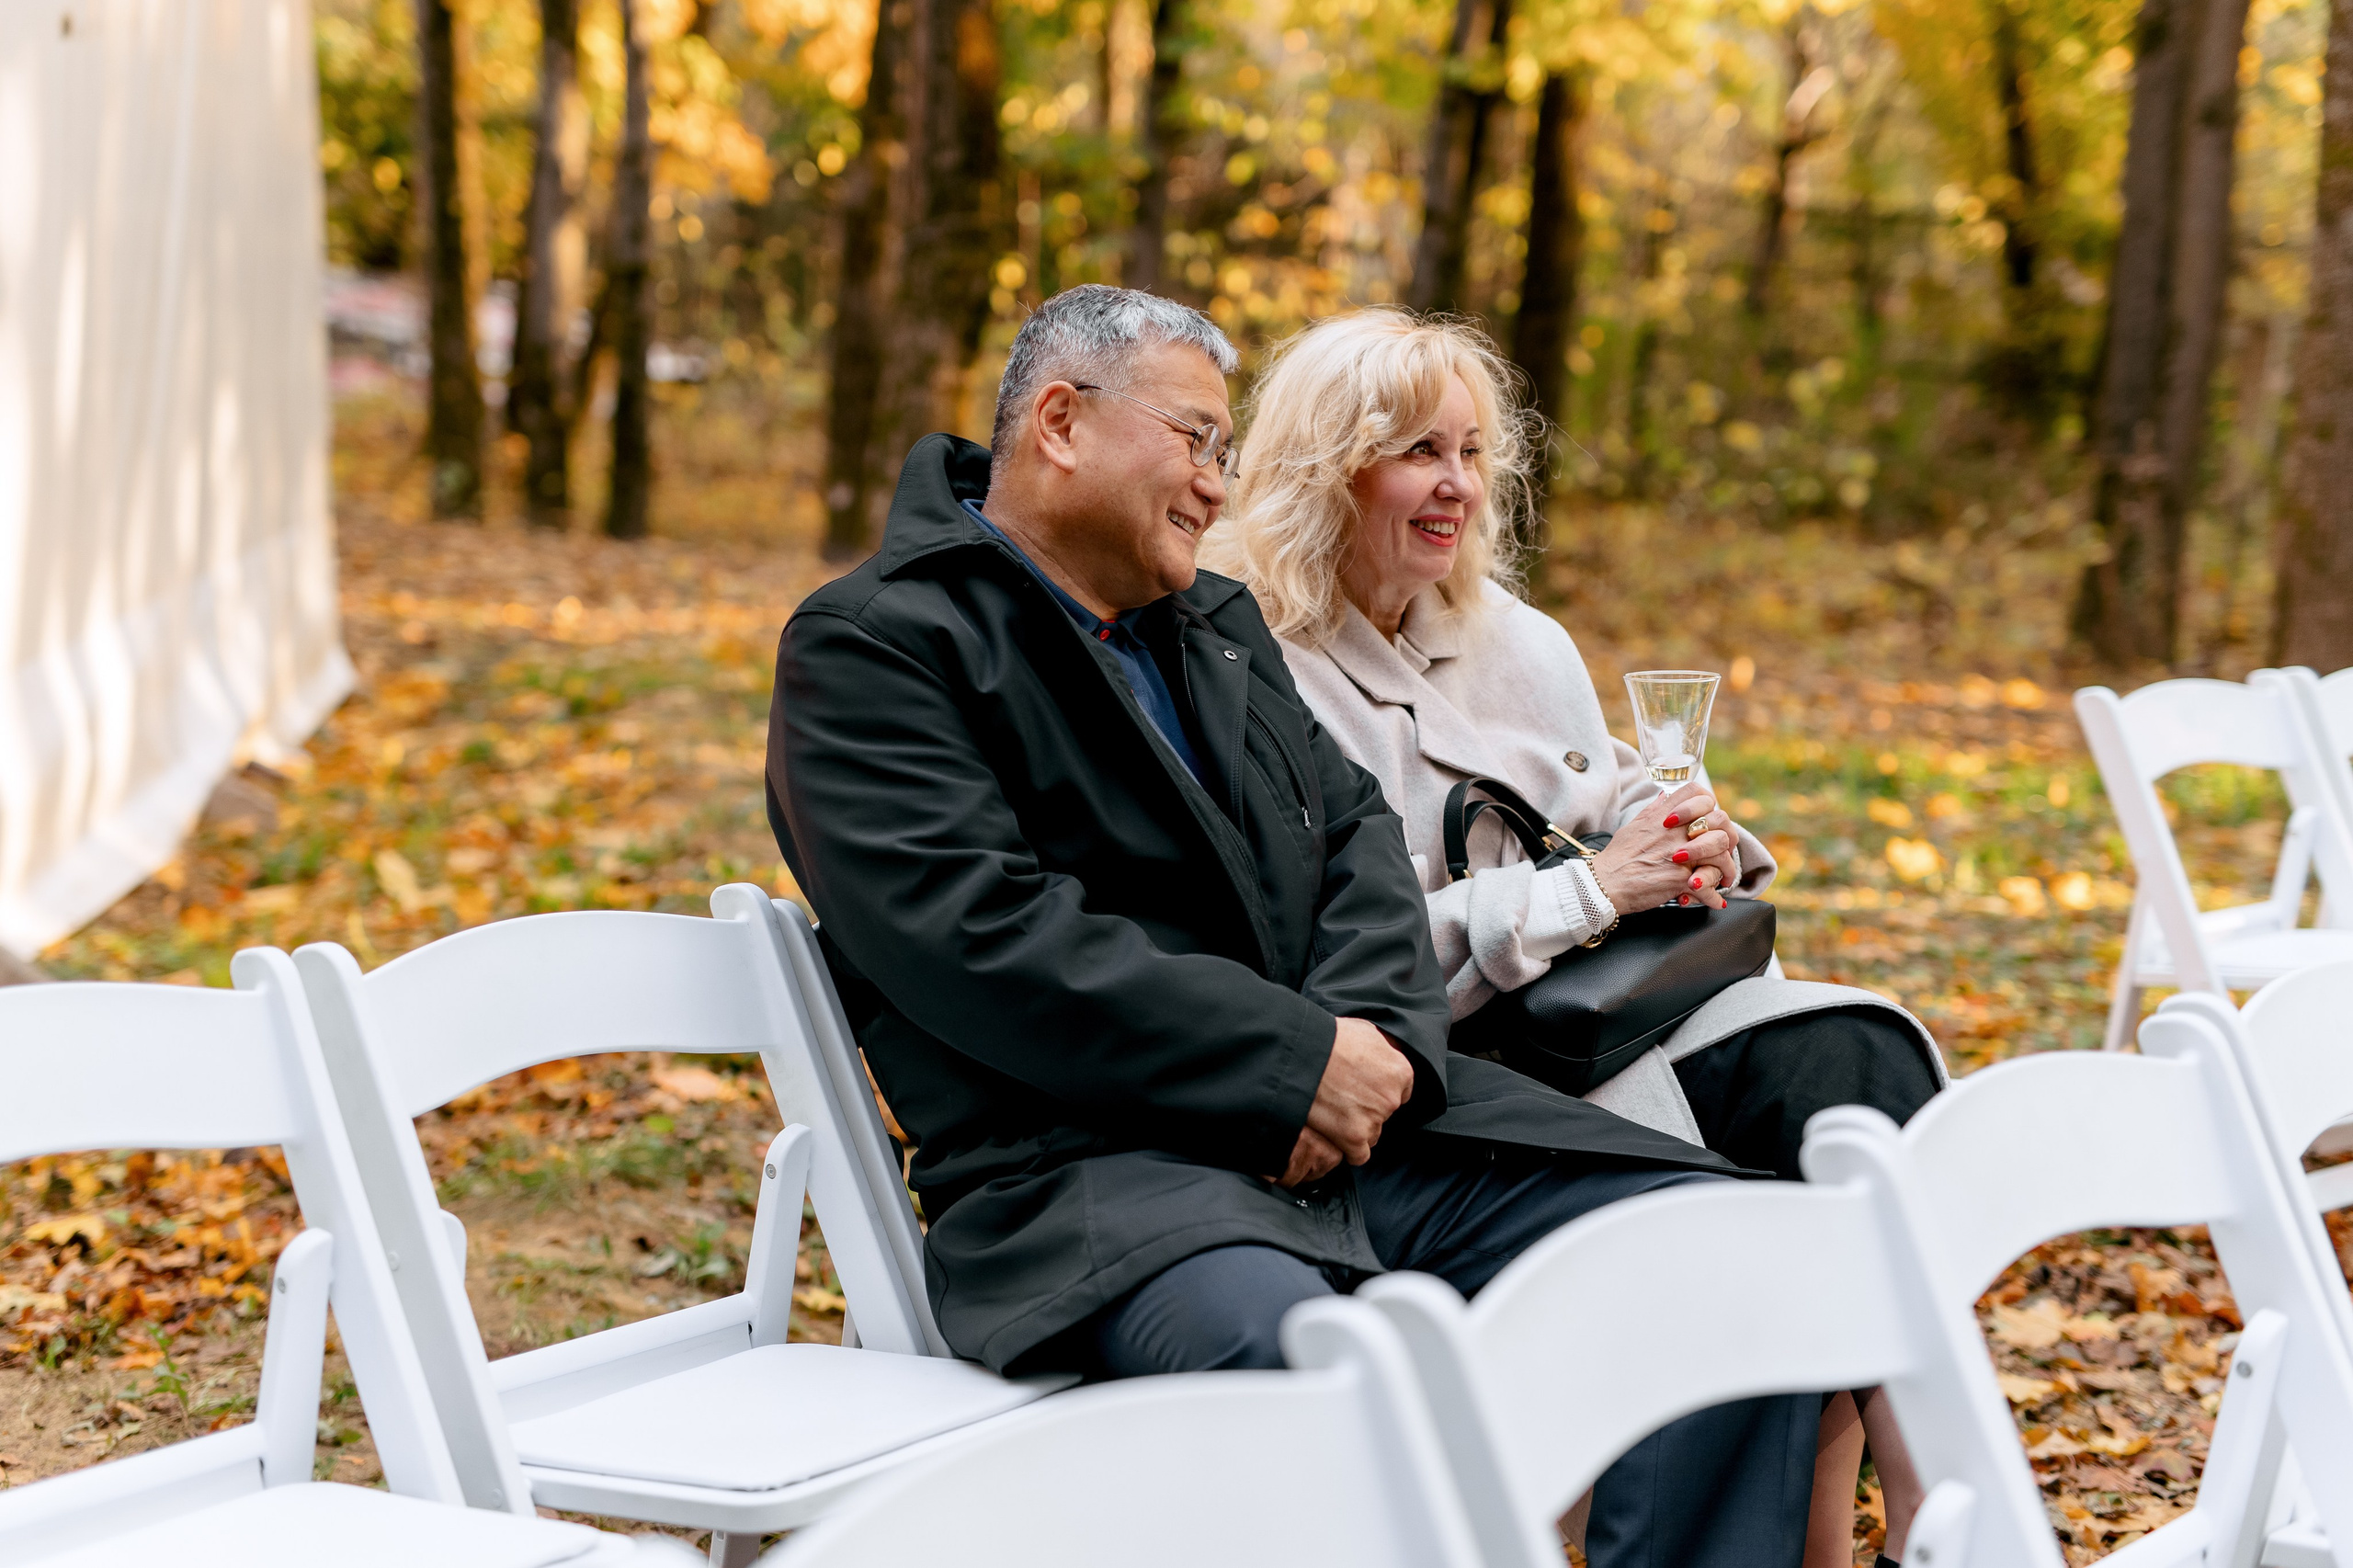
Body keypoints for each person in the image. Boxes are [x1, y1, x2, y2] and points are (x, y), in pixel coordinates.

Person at [768, 285, 1821, 1567]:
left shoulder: (1213, 627)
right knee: (1343, 1394)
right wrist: (1292, 1068)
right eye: (1199, 441)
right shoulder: (881, 645)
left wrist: (1367, 1052)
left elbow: (1358, 848)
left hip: (1373, 1144)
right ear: (1059, 422)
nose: (1220, 487)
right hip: (1108, 1186)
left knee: (1723, 1257)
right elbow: (984, 936)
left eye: (1225, 451)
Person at [1201, 305, 1945, 1568]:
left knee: (1866, 1067)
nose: (1456, 485)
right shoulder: (1250, 658)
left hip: (1600, 1015)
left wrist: (1701, 841)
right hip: (1462, 1071)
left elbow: (1598, 807)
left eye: (1475, 451)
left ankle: (1918, 1509)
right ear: (1328, 467)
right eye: (1417, 451)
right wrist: (1594, 891)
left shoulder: (1518, 643)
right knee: (1753, 1210)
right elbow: (1330, 968)